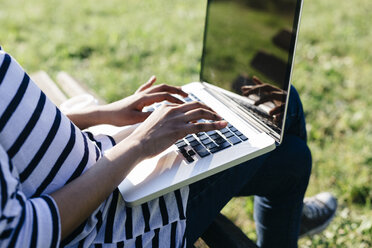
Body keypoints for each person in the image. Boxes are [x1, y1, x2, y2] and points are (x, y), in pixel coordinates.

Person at [0, 47, 335, 248]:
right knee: (281, 110)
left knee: (289, 155)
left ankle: (289, 216)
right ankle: (290, 217)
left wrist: (101, 113)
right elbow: (22, 237)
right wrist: (139, 144)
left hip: (101, 161)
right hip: (110, 228)